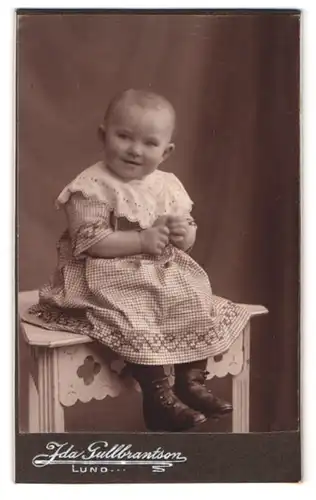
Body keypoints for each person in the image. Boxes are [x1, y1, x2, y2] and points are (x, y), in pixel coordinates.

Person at [27, 89, 251, 432]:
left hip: (157, 271)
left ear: (166, 151)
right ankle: (157, 396)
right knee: (132, 312)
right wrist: (142, 240)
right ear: (104, 135)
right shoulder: (92, 186)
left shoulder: (167, 185)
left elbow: (186, 236)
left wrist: (182, 235)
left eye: (149, 143)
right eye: (124, 136)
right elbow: (90, 241)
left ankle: (190, 380)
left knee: (194, 296)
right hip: (103, 273)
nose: (135, 149)